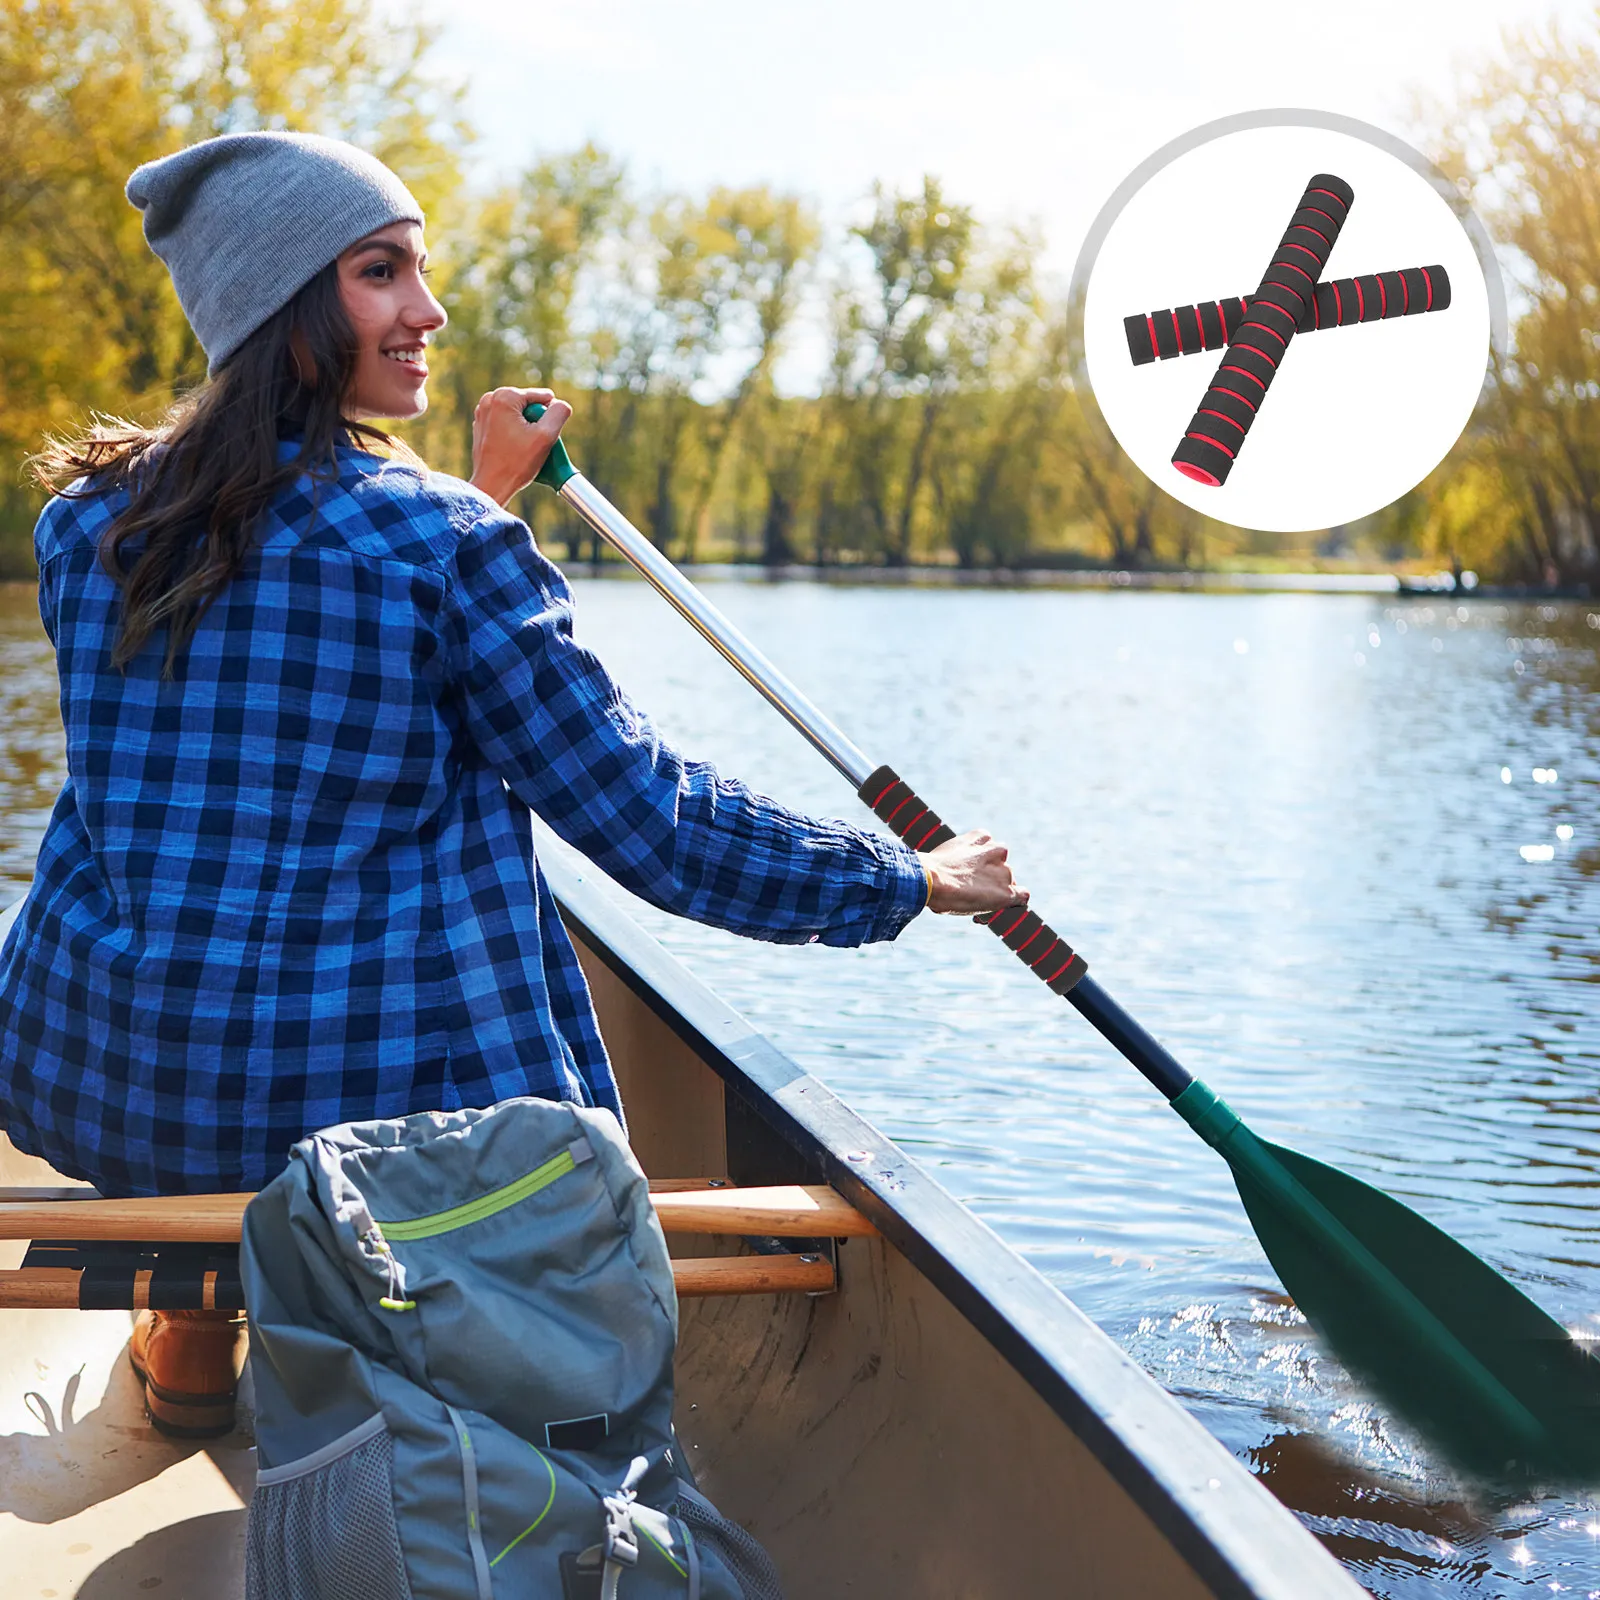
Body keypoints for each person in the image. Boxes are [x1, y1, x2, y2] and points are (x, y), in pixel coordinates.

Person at [0, 132, 1028, 1435]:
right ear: (284, 305)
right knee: (425, 921)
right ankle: (384, 1364)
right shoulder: (446, 549)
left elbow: (299, 634)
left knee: (218, 919)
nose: (428, 311)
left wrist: (472, 501)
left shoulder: (90, 526)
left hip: (109, 1083)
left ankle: (191, 1340)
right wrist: (908, 880)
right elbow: (653, 825)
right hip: (365, 1135)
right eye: (381, 272)